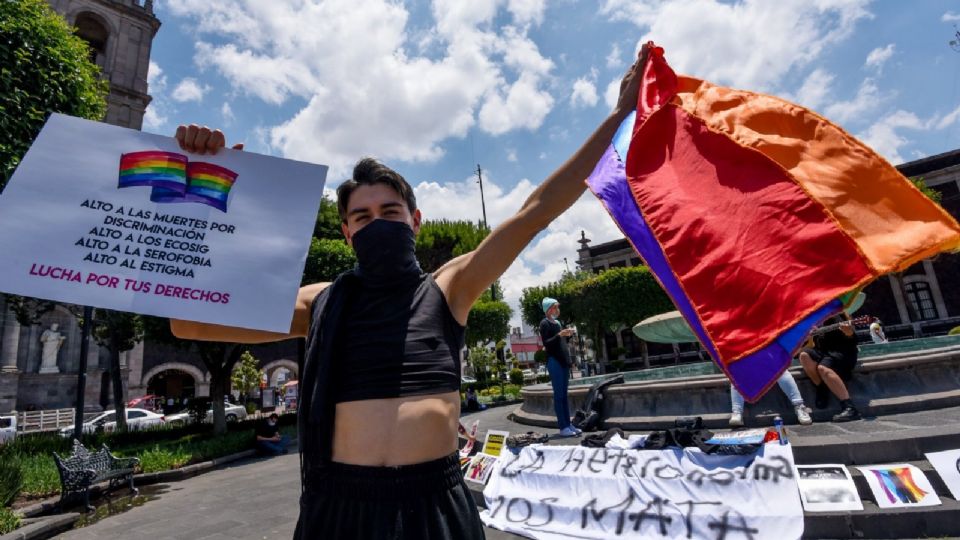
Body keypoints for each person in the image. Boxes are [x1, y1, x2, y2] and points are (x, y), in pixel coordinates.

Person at [170, 45, 652, 540]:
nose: (377, 223)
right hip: (341, 512)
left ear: (415, 222)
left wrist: (619, 113)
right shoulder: (318, 302)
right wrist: (199, 186)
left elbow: (536, 211)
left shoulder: (450, 288)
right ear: (346, 233)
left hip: (434, 508)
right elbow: (189, 321)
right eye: (362, 217)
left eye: (390, 213)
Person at [799, 314, 861, 422]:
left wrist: (849, 333)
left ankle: (849, 407)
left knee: (823, 368)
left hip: (842, 351)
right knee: (804, 356)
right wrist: (805, 338)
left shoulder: (839, 316)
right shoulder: (812, 319)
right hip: (824, 352)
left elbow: (853, 340)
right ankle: (822, 388)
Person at [538, 297, 580, 437]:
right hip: (554, 361)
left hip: (563, 362)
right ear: (549, 309)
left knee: (564, 396)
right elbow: (547, 343)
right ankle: (563, 427)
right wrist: (559, 335)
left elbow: (560, 342)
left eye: (557, 307)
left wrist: (566, 335)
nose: (557, 309)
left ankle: (568, 425)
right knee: (559, 396)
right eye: (555, 307)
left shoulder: (557, 323)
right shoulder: (544, 323)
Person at [729, 370, 812, 427]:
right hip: (748, 366)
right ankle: (737, 412)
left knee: (782, 371)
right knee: (736, 375)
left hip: (768, 363)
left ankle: (799, 406)